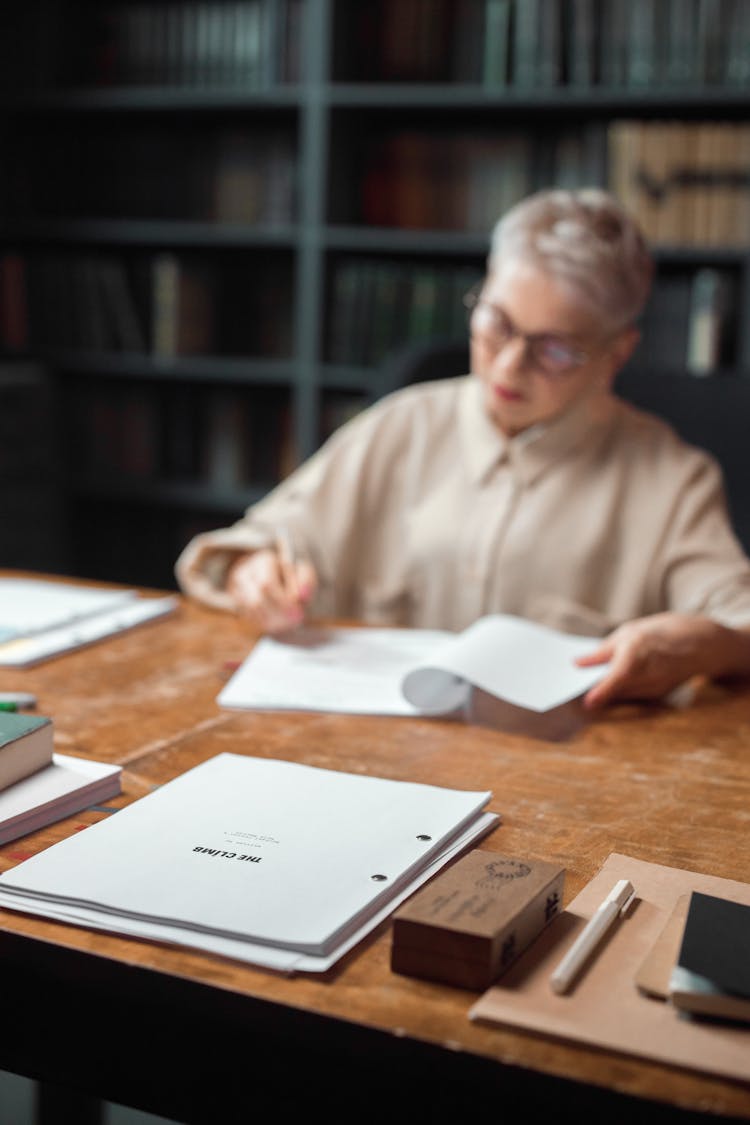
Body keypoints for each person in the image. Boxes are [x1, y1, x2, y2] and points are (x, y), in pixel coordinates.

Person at [175, 187, 750, 709]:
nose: (508, 365)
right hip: (372, 754)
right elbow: (253, 544)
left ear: (617, 354)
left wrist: (708, 645)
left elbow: (738, 622)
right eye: (496, 323)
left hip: (568, 778)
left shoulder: (672, 478)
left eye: (554, 350)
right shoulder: (400, 426)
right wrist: (254, 571)